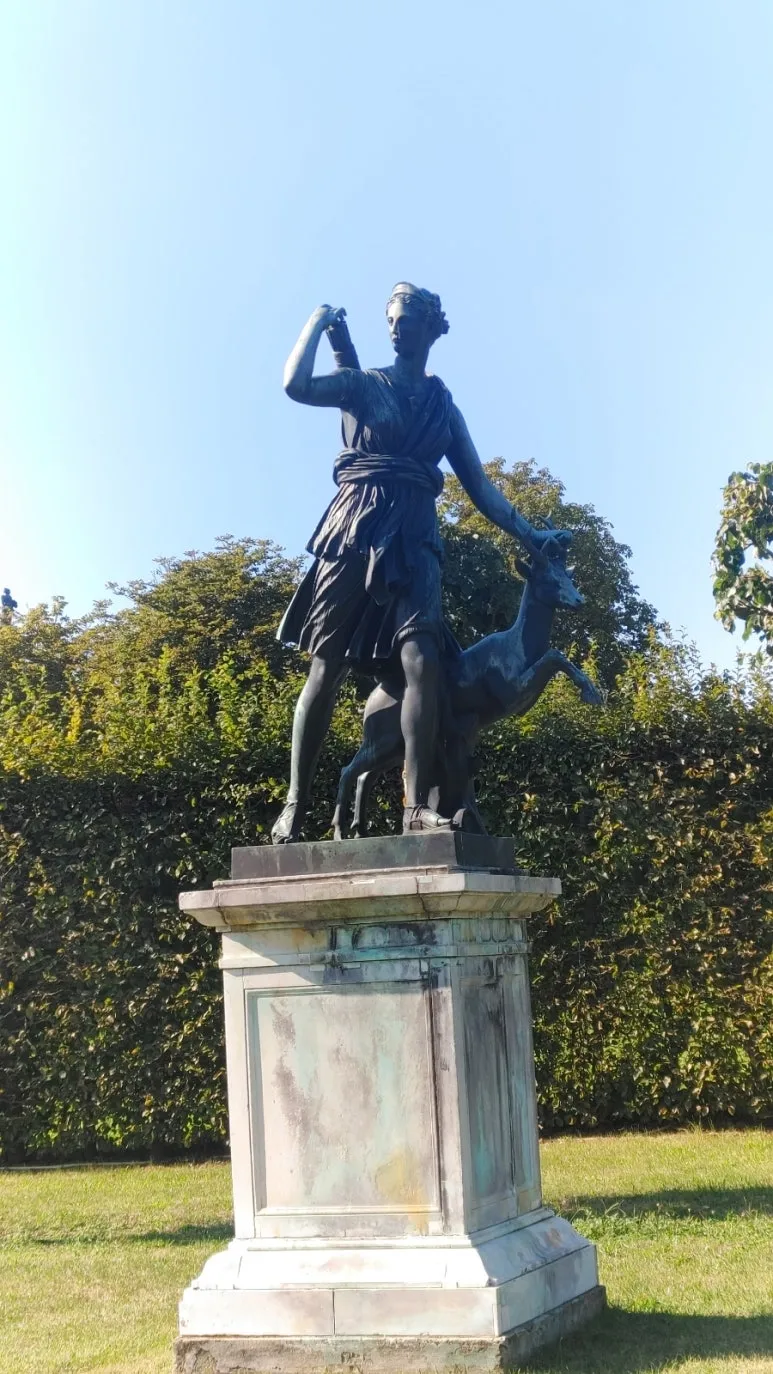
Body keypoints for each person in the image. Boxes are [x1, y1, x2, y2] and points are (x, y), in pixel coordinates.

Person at [272, 283, 563, 843]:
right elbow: (296, 385)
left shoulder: (442, 407)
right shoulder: (363, 383)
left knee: (423, 662)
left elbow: (481, 489)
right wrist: (318, 321)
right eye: (390, 320)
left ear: (431, 328)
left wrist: (532, 535)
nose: (395, 329)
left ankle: (414, 807)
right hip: (354, 528)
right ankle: (295, 803)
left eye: (405, 320)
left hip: (415, 535)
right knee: (325, 668)